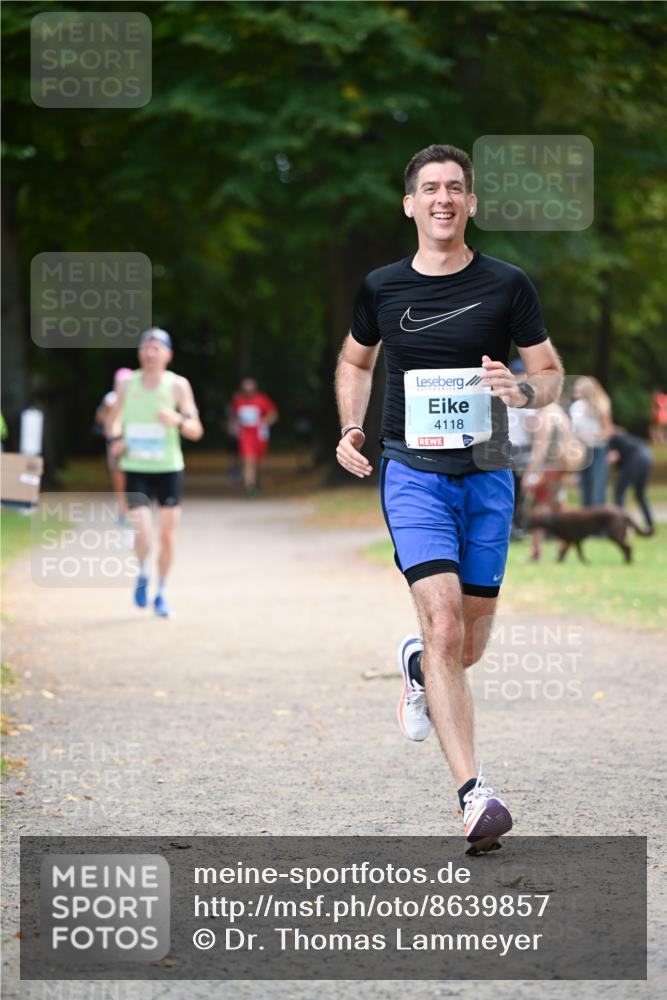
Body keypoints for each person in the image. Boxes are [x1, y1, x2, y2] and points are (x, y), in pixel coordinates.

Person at [335, 144, 563, 853]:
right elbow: (353, 358)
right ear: (408, 204)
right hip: (412, 474)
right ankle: (474, 795)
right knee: (442, 628)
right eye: (429, 188)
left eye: (454, 188)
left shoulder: (506, 284)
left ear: (469, 204)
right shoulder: (382, 287)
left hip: (489, 471)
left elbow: (549, 371)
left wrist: (521, 392)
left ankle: (416, 668)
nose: (442, 198)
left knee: (466, 642)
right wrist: (350, 424)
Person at [106, 329, 204, 617]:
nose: (150, 354)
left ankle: (161, 591)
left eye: (156, 349)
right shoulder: (127, 384)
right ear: (139, 353)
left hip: (168, 468)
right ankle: (143, 573)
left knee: (167, 538)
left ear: (168, 355)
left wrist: (177, 420)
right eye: (145, 348)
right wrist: (115, 440)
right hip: (135, 468)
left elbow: (196, 430)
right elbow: (113, 422)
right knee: (142, 534)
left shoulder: (178, 386)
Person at [95, 368, 133, 521]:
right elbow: (100, 419)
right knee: (118, 477)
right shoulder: (110, 398)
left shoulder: (137, 397)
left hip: (132, 443)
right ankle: (123, 510)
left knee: (132, 477)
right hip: (114, 443)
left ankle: (133, 509)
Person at [230, 377, 278, 497]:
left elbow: (273, 414)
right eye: (245, 389)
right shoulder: (238, 401)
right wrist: (234, 427)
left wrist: (265, 422)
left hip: (259, 435)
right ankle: (250, 487)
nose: (248, 392)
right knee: (248, 460)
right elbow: (234, 417)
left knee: (259, 463)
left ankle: (257, 483)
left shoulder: (262, 399)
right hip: (245, 435)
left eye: (250, 389)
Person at [569, 376, 613, 507]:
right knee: (584, 487)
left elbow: (608, 431)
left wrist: (593, 436)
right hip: (582, 451)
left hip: (597, 450)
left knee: (596, 487)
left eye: (579, 387)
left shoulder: (599, 407)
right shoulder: (575, 407)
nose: (576, 389)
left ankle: (600, 525)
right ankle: (587, 523)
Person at [506, 358, 536, 540]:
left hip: (507, 447)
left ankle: (514, 525)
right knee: (518, 489)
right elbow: (531, 424)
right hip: (518, 448)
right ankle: (515, 526)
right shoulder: (525, 395)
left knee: (511, 488)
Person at [607, 427, 654, 533]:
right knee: (640, 494)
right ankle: (649, 524)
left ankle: (619, 524)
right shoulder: (623, 436)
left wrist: (604, 468)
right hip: (648, 456)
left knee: (619, 492)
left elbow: (613, 457)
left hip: (635, 458)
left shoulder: (613, 439)